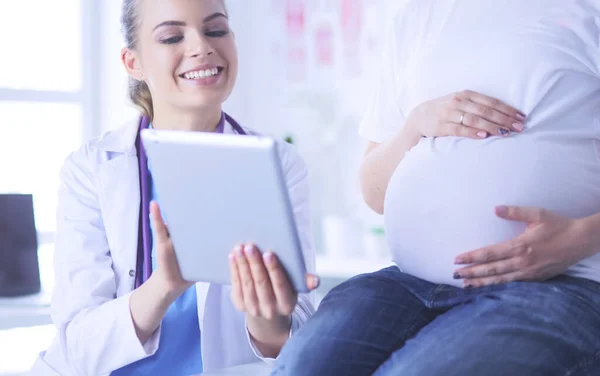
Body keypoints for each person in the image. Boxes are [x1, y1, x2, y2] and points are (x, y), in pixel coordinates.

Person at [271, 1, 600, 375]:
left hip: (559, 285)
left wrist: (579, 238)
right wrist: (415, 125)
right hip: (408, 285)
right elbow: (374, 193)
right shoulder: (417, 18)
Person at [31, 0, 319, 375]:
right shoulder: (92, 169)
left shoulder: (280, 166)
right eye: (171, 37)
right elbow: (79, 349)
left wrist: (267, 318)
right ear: (133, 63)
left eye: (216, 30)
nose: (201, 46)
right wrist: (164, 285)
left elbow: (297, 341)